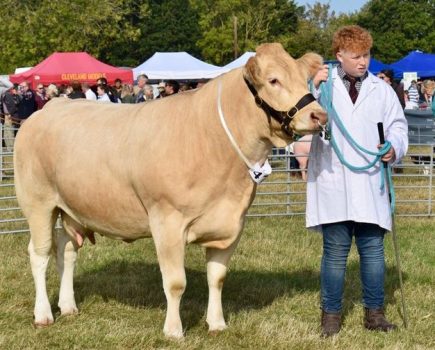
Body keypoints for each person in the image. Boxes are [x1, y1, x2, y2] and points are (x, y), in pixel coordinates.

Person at [308, 25, 408, 337]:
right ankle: (331, 316)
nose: (363, 61)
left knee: (373, 252)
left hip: (370, 182)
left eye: (366, 55)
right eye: (356, 56)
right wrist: (312, 89)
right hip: (334, 181)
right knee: (335, 254)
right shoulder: (321, 88)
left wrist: (394, 147)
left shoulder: (382, 89)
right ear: (339, 56)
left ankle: (375, 314)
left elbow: (398, 126)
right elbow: (302, 119)